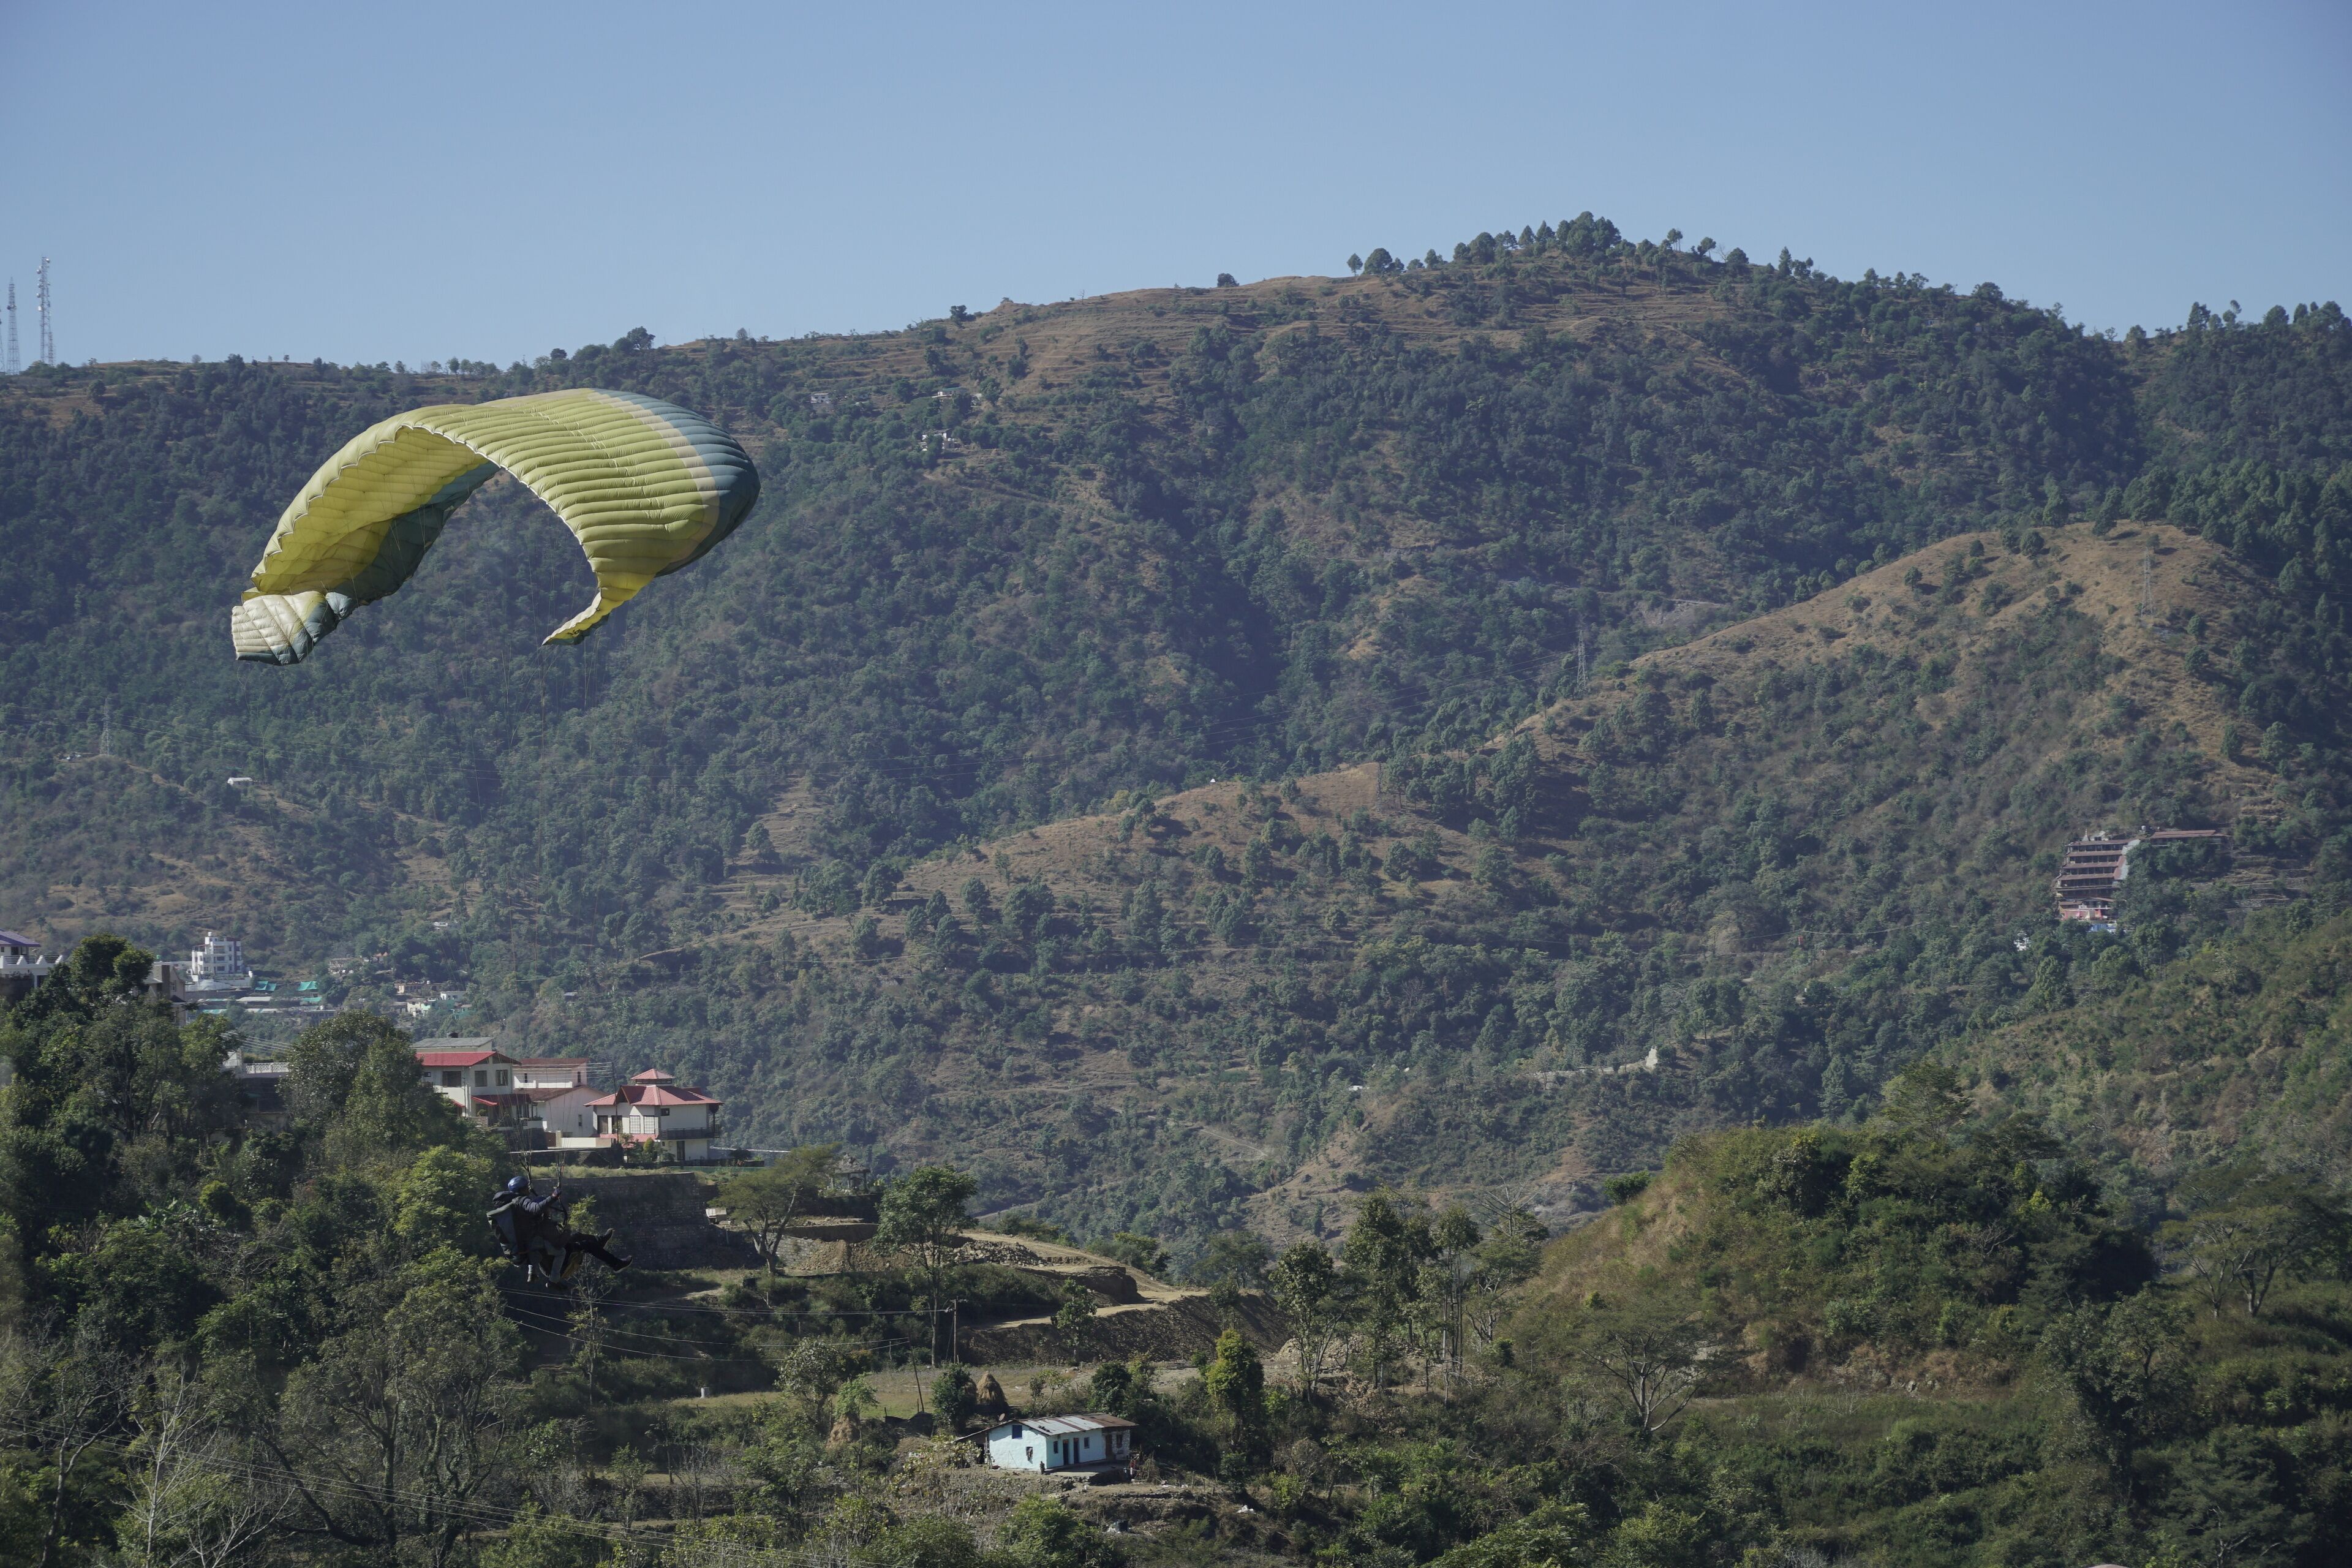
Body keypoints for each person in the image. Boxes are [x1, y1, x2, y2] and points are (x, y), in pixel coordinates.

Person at [488, 1175, 630, 1283]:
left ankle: (600, 1241)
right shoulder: (530, 1210)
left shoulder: (520, 1209)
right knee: (586, 1245)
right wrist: (554, 1197)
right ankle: (615, 1264)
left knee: (578, 1236)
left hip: (549, 1255)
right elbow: (557, 1241)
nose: (550, 1210)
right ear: (522, 1190)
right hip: (557, 1263)